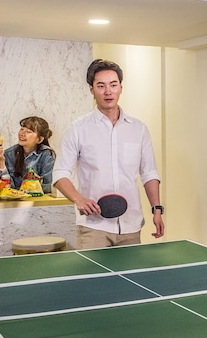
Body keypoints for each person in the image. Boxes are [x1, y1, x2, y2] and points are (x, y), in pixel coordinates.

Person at [53, 58, 165, 248]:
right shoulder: (78, 129)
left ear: (121, 87)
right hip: (93, 227)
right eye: (101, 86)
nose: (108, 91)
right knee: (93, 278)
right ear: (91, 90)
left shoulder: (139, 129)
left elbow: (149, 173)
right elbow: (59, 173)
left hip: (131, 226)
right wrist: (79, 199)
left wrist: (156, 208)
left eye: (113, 85)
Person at [0, 116, 55, 192]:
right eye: (22, 129)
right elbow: (4, 187)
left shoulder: (46, 155)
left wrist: (24, 192)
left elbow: (47, 187)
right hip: (14, 202)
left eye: (29, 132)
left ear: (39, 139)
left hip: (38, 201)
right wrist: (1, 161)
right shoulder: (9, 153)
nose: (22, 133)